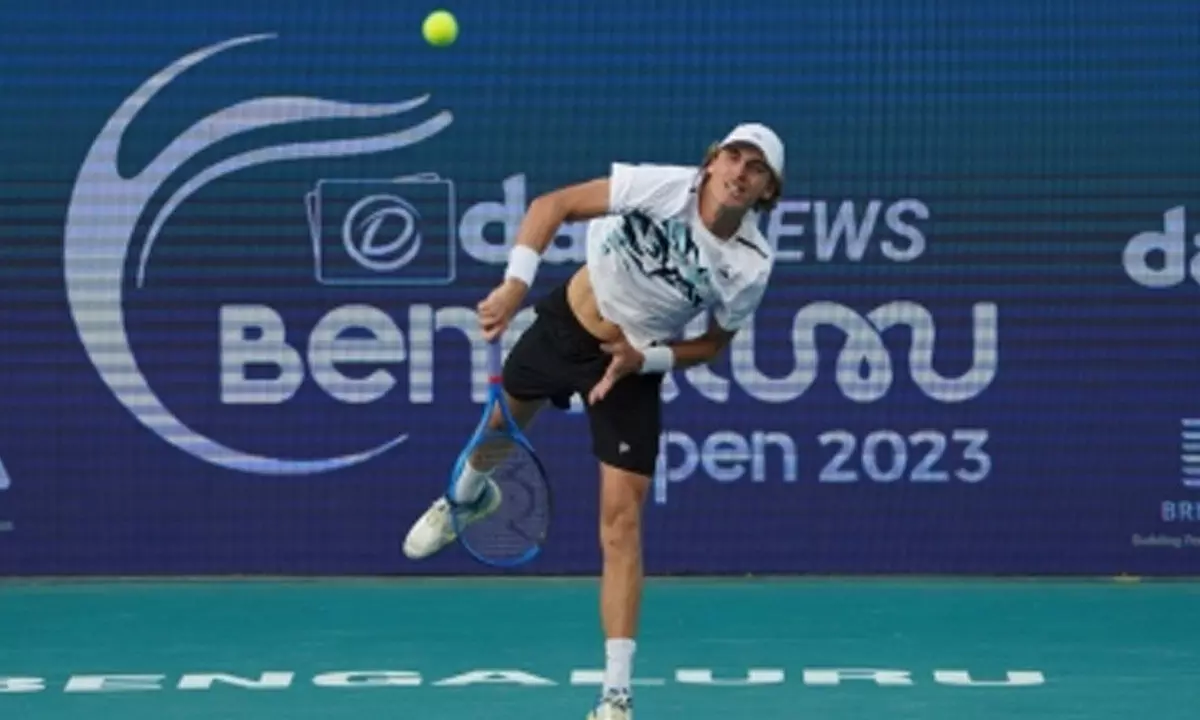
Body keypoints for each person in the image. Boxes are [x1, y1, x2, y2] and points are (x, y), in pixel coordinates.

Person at [402, 122, 785, 720]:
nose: (740, 172)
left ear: (767, 190)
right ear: (711, 162)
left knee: (621, 524)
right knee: (499, 431)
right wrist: (514, 287)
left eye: (756, 168)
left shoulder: (750, 264)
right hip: (564, 327)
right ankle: (466, 497)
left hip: (630, 364)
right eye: (734, 157)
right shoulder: (665, 188)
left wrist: (644, 359)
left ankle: (616, 697)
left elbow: (712, 345)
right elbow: (551, 206)